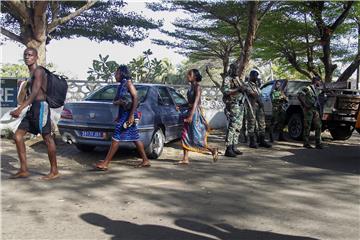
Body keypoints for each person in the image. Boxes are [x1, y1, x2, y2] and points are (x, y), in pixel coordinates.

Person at [10, 47, 59, 180]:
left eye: (30, 55)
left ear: (36, 57)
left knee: (47, 138)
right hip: (33, 109)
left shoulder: (39, 71)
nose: (27, 57)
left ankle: (54, 171)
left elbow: (35, 93)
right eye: (25, 55)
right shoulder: (31, 73)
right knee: (18, 136)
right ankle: (24, 169)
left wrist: (20, 109)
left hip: (41, 108)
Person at [95, 65, 150, 170]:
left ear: (122, 73)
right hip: (124, 115)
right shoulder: (121, 85)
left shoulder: (128, 83)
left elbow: (136, 98)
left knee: (116, 136)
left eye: (117, 73)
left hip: (128, 115)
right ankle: (145, 160)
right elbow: (120, 102)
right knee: (135, 137)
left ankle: (106, 163)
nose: (115, 75)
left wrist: (130, 116)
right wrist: (119, 114)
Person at [179, 69, 219, 164]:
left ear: (195, 77)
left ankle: (212, 150)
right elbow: (190, 102)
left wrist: (191, 116)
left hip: (195, 114)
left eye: (190, 74)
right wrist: (182, 106)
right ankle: (185, 158)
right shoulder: (191, 87)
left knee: (196, 137)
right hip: (190, 111)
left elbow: (196, 103)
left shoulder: (197, 87)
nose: (187, 75)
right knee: (185, 135)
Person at [221, 63, 244, 157]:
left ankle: (234, 146)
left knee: (238, 127)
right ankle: (228, 149)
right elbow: (225, 91)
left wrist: (243, 88)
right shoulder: (227, 79)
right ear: (232, 69)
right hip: (232, 105)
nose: (237, 71)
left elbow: (242, 89)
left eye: (238, 69)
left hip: (240, 105)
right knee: (232, 127)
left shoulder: (237, 79)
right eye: (236, 69)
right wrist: (238, 89)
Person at [244, 70, 272, 148]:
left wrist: (261, 103)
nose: (257, 78)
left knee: (262, 124)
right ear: (251, 76)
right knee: (251, 124)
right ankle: (252, 142)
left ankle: (262, 141)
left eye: (257, 76)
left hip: (259, 107)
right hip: (252, 106)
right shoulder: (247, 85)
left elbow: (259, 94)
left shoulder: (256, 85)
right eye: (255, 76)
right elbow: (254, 95)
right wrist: (260, 102)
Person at [298, 76, 323, 149]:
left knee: (318, 126)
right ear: (316, 81)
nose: (320, 82)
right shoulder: (307, 88)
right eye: (319, 81)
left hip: (315, 110)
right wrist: (304, 105)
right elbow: (299, 95)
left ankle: (318, 143)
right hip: (308, 110)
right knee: (307, 126)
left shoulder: (318, 90)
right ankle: (306, 143)